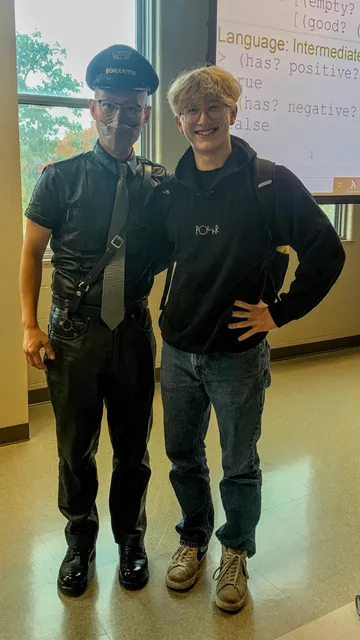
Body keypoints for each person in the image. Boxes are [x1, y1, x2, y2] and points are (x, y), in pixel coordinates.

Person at [150, 66, 346, 612]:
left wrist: (278, 314)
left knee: (238, 461)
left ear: (234, 112)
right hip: (178, 351)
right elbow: (153, 254)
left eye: (214, 108)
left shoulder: (269, 181)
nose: (203, 119)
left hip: (237, 355)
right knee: (182, 456)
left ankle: (234, 550)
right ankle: (193, 538)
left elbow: (327, 252)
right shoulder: (170, 189)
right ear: (178, 119)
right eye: (191, 110)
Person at [19, 45, 171, 597]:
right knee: (74, 447)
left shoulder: (158, 185)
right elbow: (32, 252)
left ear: (144, 114)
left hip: (131, 333)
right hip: (74, 336)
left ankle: (131, 538)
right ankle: (79, 539)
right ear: (92, 108)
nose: (119, 117)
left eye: (131, 107)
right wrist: (30, 327)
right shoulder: (59, 178)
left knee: (134, 449)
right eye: (109, 105)